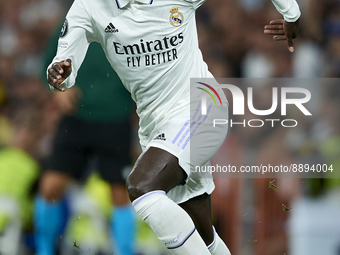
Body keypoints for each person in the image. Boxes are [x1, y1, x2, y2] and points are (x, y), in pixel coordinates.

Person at [47, 0, 300, 254]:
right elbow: (63, 65)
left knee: (141, 187)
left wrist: (292, 14)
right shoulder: (89, 6)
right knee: (203, 236)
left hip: (201, 107)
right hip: (157, 129)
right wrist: (59, 73)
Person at [35, 19, 135, 255]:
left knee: (120, 193)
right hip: (76, 116)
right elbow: (49, 63)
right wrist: (58, 90)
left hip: (116, 118)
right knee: (50, 186)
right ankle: (44, 250)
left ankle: (125, 252)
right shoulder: (75, 17)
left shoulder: (136, 19)